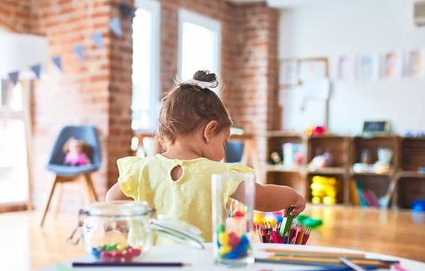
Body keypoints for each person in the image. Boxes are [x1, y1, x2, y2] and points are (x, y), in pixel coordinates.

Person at [106, 70, 305, 242]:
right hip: (200, 266)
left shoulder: (142, 169)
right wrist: (292, 196)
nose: (223, 151)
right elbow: (264, 198)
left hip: (151, 262)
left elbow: (112, 199)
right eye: (224, 143)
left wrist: (133, 224)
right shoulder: (219, 174)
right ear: (209, 131)